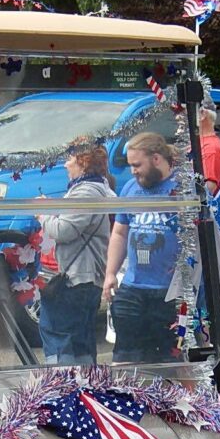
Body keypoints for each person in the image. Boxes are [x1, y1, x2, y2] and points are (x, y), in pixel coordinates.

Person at [102, 132, 181, 364]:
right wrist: (110, 273)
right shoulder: (130, 188)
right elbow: (119, 232)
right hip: (133, 286)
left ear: (156, 159)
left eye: (137, 165)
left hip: (170, 289)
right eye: (131, 166)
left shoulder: (182, 188)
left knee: (172, 358)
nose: (133, 171)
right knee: (125, 356)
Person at [36, 138, 116, 365]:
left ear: (84, 162)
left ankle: (62, 381)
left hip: (77, 277)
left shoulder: (85, 192)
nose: (66, 164)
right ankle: (87, 381)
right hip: (90, 277)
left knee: (56, 333)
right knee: (82, 339)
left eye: (70, 158)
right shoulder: (99, 188)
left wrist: (42, 214)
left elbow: (63, 230)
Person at [198, 96, 220, 195]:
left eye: (183, 112)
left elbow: (206, 192)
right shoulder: (202, 144)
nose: (177, 117)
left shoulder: (210, 149)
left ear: (202, 114)